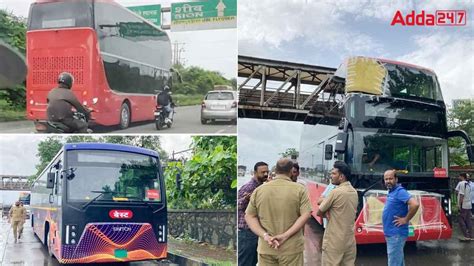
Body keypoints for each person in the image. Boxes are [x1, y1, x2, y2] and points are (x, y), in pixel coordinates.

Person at [245, 158, 312, 266]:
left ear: (275, 170)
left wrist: (265, 236)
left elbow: (249, 216)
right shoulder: (300, 190)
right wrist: (285, 235)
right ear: (291, 171)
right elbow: (306, 214)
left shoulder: (259, 190)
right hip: (291, 249)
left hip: (266, 247)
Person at [317, 161, 358, 266]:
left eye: (334, 174)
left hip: (334, 241)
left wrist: (327, 213)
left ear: (341, 176)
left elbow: (319, 212)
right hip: (349, 241)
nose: (331, 176)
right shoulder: (354, 192)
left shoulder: (335, 192)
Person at [382, 169, 420, 265]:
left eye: (390, 178)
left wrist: (406, 219)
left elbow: (415, 204)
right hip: (392, 233)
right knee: (398, 261)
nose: (388, 181)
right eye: (386, 179)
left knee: (394, 262)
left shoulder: (399, 191)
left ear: (396, 179)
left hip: (396, 234)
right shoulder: (391, 191)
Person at [237, 162, 269, 266]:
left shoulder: (262, 187)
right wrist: (246, 199)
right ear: (255, 173)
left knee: (252, 262)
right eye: (262, 172)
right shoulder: (249, 187)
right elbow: (237, 205)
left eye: (266, 172)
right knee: (246, 262)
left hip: (255, 232)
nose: (265, 174)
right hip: (247, 232)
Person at [455, 173, 472, 241]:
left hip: (463, 204)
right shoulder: (468, 184)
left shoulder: (461, 183)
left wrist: (459, 204)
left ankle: (466, 235)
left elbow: (461, 195)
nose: (458, 177)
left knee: (461, 220)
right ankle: (471, 235)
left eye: (459, 176)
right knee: (468, 220)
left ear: (462, 177)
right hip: (468, 204)